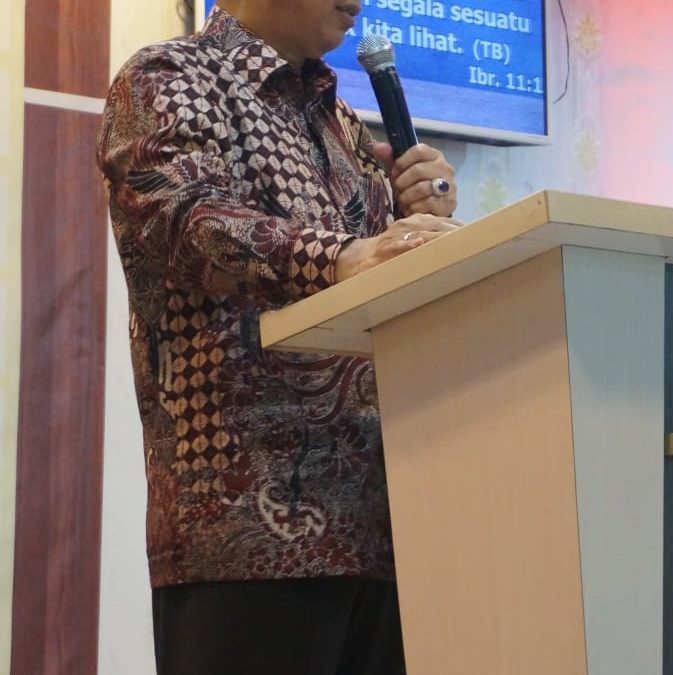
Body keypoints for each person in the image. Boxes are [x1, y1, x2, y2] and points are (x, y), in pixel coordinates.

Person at [97, 1, 462, 673]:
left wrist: (421, 225)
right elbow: (188, 221)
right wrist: (345, 256)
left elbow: (380, 293)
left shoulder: (343, 124)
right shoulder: (170, 76)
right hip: (245, 531)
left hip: (384, 532)